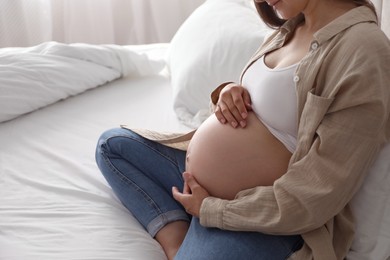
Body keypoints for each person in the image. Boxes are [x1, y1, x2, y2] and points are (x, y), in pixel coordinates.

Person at [95, 0, 390, 259]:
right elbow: (271, 106)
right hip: (202, 191)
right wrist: (229, 92)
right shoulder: (291, 26)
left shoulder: (363, 49)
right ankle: (177, 242)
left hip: (267, 223)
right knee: (113, 145)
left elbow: (320, 194)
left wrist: (213, 210)